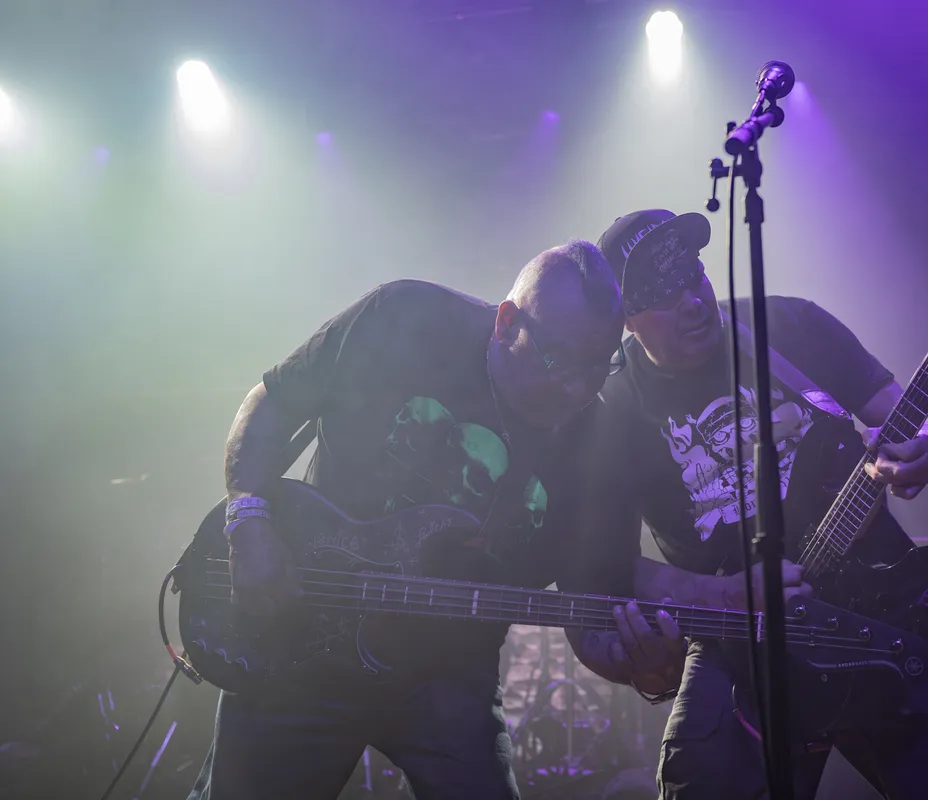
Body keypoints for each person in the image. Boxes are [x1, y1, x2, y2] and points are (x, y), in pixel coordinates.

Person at [188, 240, 693, 800]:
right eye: (558, 360)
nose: (577, 388)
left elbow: (588, 614)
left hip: (449, 673)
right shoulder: (405, 318)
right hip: (302, 637)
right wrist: (248, 516)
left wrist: (640, 667)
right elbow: (273, 401)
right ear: (507, 322)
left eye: (598, 367)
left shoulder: (596, 446)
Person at [592, 209, 928, 800]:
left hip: (890, 606)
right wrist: (723, 595)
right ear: (626, 318)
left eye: (694, 275)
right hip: (745, 649)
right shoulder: (610, 409)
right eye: (664, 295)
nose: (691, 301)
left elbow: (924, 420)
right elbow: (608, 567)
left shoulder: (790, 326)